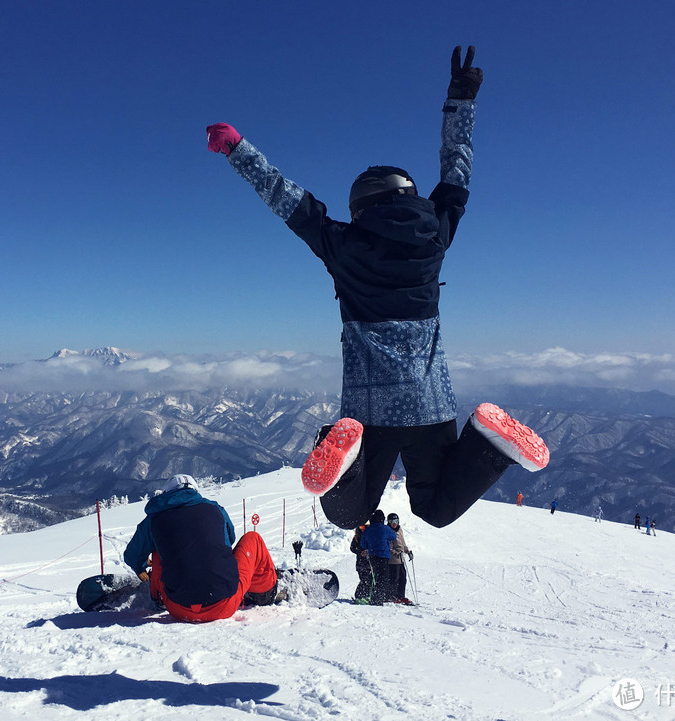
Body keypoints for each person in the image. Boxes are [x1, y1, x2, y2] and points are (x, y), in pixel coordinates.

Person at [207, 46, 550, 532]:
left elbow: (285, 197)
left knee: (351, 514)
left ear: (361, 205)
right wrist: (461, 102)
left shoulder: (344, 245)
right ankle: (490, 444)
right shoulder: (435, 235)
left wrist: (237, 149)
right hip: (430, 401)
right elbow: (457, 172)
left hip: (369, 409)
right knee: (433, 508)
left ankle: (341, 449)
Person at [123, 474, 278, 622]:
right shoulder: (215, 509)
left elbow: (132, 555)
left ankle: (158, 598)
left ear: (166, 493)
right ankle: (262, 594)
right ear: (194, 491)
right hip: (225, 604)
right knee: (253, 538)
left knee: (158, 546)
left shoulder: (154, 519)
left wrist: (141, 567)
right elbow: (229, 539)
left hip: (177, 607)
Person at [359, 510, 398, 605]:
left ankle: (369, 595)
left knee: (374, 577)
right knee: (383, 578)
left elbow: (363, 544)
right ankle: (377, 599)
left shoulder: (368, 529)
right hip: (383, 555)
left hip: (372, 556)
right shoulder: (384, 529)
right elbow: (393, 536)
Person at [387, 513, 414, 603]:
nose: (394, 523)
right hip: (393, 560)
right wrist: (396, 553)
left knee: (403, 577)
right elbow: (388, 547)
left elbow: (402, 543)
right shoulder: (388, 531)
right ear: (388, 522)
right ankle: (392, 596)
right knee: (394, 578)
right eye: (392, 521)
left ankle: (401, 596)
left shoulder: (399, 529)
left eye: (396, 521)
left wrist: (407, 551)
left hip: (401, 559)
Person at [349, 523, 372, 602]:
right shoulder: (357, 537)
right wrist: (360, 551)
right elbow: (352, 548)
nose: (364, 529)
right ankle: (359, 596)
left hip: (369, 563)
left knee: (369, 580)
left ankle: (366, 595)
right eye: (362, 527)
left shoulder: (370, 535)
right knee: (364, 580)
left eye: (366, 527)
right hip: (361, 563)